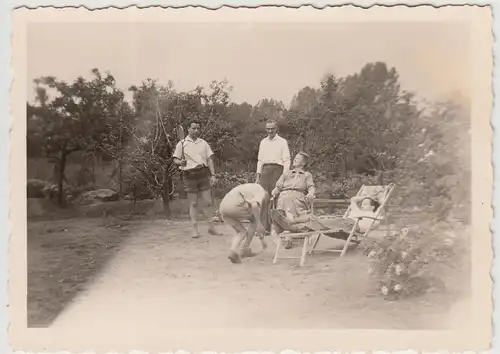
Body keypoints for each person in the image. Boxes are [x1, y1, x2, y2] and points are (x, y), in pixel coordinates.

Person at [173, 120, 221, 238]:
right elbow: (175, 160)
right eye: (193, 128)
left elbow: (209, 159)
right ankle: (195, 229)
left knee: (208, 202)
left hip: (203, 174)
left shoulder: (203, 143)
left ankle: (211, 227)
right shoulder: (182, 144)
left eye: (198, 128)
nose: (196, 131)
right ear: (188, 129)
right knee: (193, 203)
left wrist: (213, 175)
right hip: (189, 175)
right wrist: (180, 162)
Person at [269, 152, 315, 248]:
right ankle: (288, 230)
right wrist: (275, 191)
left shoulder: (307, 175)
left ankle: (287, 229)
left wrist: (310, 193)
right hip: (283, 196)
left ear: (303, 163)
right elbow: (278, 186)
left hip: (298, 198)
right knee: (284, 200)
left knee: (288, 202)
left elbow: (311, 187)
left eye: (298, 159)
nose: (294, 160)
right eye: (295, 158)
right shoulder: (286, 173)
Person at [219, 183, 270, 264]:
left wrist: (261, 238)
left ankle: (233, 250)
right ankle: (245, 248)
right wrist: (259, 224)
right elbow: (254, 206)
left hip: (223, 207)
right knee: (254, 220)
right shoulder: (261, 191)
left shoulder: (249, 187)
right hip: (235, 206)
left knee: (241, 232)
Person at [255, 120, 291, 232]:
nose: (270, 131)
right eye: (268, 128)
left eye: (272, 128)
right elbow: (260, 160)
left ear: (276, 129)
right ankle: (264, 227)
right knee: (264, 198)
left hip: (277, 170)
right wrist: (258, 176)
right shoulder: (263, 142)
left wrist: (284, 176)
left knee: (276, 197)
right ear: (266, 129)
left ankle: (277, 227)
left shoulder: (282, 142)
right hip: (265, 171)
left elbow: (287, 160)